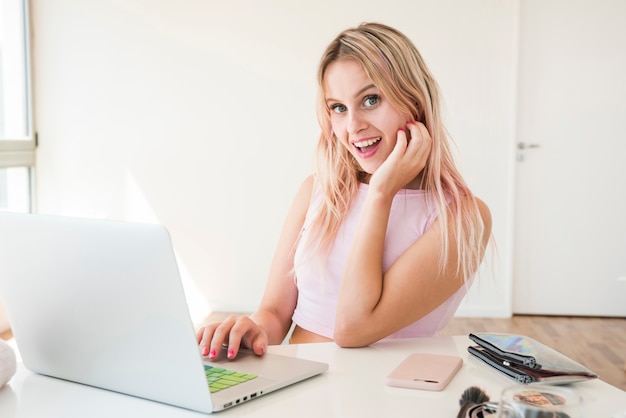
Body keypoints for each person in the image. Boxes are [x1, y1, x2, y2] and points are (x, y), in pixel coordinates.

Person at [197, 22, 492, 360]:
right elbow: (275, 314)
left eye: (370, 99)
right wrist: (250, 331)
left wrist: (381, 193)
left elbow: (353, 329)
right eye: (338, 107)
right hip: (295, 385)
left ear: (414, 101)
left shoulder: (463, 218)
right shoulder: (317, 192)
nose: (353, 126)